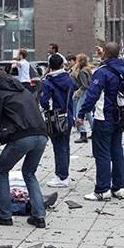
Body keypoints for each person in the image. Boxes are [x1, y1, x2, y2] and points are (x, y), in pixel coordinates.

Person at [0, 68, 48, 228]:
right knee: (29, 173)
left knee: (1, 170)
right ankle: (39, 216)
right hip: (42, 134)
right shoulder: (25, 90)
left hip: (22, 137)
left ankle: (5, 215)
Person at [77, 42, 124, 202]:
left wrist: (81, 113)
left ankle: (102, 189)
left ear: (105, 54)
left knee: (102, 154)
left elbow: (93, 94)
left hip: (104, 117)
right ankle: (119, 187)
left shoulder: (102, 72)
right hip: (119, 117)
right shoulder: (123, 69)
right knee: (117, 152)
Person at [40, 54, 76, 188]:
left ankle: (61, 177)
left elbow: (44, 101)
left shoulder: (48, 82)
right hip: (68, 116)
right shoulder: (69, 80)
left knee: (59, 147)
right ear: (62, 65)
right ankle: (64, 173)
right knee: (65, 146)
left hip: (55, 118)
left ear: (49, 66)